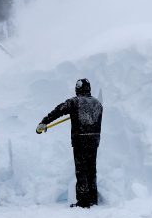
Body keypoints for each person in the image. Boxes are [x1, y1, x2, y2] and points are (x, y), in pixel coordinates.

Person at [36, 79, 103, 208]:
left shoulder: (75, 102)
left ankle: (83, 201)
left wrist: (44, 122)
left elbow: (58, 110)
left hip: (80, 140)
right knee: (91, 169)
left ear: (78, 89)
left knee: (81, 170)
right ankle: (93, 199)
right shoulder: (98, 104)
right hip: (94, 140)